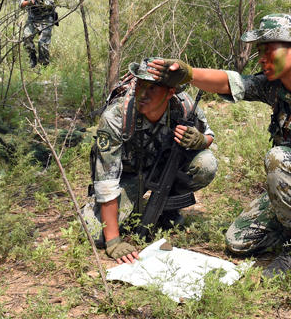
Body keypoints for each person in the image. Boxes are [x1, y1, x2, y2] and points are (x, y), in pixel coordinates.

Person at [147, 14, 291, 276]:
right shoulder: (276, 86)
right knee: (238, 240)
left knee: (279, 157)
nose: (261, 58)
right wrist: (188, 74)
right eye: (260, 51)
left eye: (268, 51)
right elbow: (231, 82)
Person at [83, 57, 218, 264]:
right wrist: (113, 241)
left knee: (205, 164)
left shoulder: (184, 108)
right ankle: (138, 207)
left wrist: (200, 141)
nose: (143, 94)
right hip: (125, 178)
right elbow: (106, 181)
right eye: (140, 85)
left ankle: (167, 209)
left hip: (164, 172)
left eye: (153, 88)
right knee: (94, 232)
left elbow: (208, 135)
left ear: (170, 92)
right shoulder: (117, 116)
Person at [20, 0, 59, 67]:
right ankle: (32, 58)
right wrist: (30, 2)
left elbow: (50, 3)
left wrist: (39, 3)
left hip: (46, 16)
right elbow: (21, 4)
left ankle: (44, 64)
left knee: (43, 43)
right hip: (33, 17)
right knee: (26, 37)